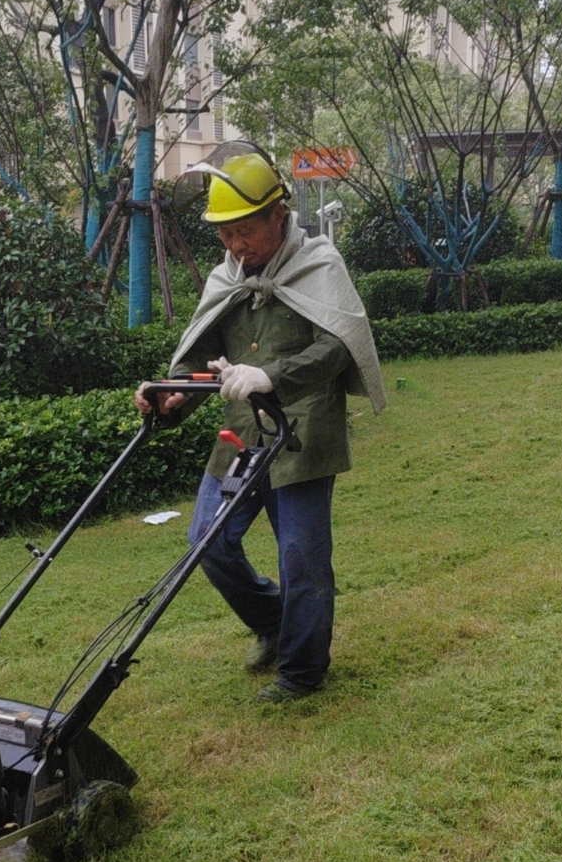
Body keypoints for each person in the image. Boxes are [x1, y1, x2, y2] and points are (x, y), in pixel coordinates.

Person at [137, 141, 384, 703]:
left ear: (278, 214)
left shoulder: (319, 263)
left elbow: (338, 347)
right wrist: (174, 397)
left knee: (301, 558)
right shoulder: (227, 276)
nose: (235, 246)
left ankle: (302, 671)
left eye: (244, 231)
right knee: (208, 540)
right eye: (224, 235)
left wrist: (272, 375)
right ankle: (273, 622)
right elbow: (204, 358)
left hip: (302, 434)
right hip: (241, 434)